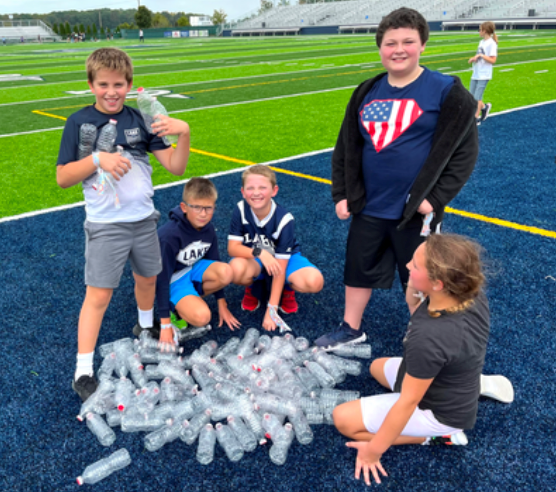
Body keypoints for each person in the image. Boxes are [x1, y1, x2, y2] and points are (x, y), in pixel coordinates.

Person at [314, 7, 478, 350]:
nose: (398, 49)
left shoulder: (446, 91)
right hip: (369, 205)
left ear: (422, 45)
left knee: (421, 279)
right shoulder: (366, 91)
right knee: (357, 269)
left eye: (408, 41)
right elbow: (346, 146)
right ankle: (351, 328)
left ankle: (424, 337)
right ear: (380, 48)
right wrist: (342, 194)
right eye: (390, 43)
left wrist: (434, 199)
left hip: (413, 212)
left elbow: (464, 154)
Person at [56, 47, 191, 401]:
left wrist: (185, 132)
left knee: (147, 278)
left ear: (129, 85)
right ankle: (83, 369)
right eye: (103, 84)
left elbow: (176, 167)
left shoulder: (141, 119)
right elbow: (63, 178)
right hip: (105, 224)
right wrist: (98, 158)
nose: (111, 91)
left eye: (118, 84)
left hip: (144, 220)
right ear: (91, 85)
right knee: (98, 295)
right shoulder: (78, 122)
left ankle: (145, 327)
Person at [332, 234, 514, 485]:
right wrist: (414, 288)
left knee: (343, 420)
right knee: (376, 367)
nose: (406, 265)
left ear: (438, 283)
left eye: (415, 265)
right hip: (452, 376)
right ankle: (474, 384)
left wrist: (374, 450)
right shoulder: (470, 293)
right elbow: (420, 313)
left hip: (440, 412)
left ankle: (443, 436)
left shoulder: (429, 337)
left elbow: (408, 402)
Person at [228, 165, 324, 331]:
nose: (256, 193)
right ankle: (253, 285)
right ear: (243, 192)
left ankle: (287, 288)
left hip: (284, 260)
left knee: (314, 281)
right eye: (250, 188)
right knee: (234, 270)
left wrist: (271, 310)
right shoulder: (241, 209)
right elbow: (232, 248)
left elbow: (280, 266)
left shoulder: (284, 219)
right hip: (256, 258)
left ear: (274, 191)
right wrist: (260, 253)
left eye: (262, 188)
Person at [147, 178, 240, 346]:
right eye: (196, 207)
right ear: (184, 207)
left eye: (208, 208)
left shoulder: (208, 228)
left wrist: (222, 303)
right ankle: (174, 307)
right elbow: (160, 279)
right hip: (171, 278)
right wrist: (165, 323)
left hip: (191, 268)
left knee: (227, 271)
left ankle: (189, 298)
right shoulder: (169, 237)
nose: (203, 214)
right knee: (202, 318)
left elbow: (214, 260)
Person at [468, 21, 498, 125]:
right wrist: (474, 58)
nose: (479, 32)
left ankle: (475, 118)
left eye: (479, 30)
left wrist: (481, 56)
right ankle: (485, 107)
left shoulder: (492, 43)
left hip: (484, 74)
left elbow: (493, 60)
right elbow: (479, 55)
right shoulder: (482, 42)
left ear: (484, 31)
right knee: (471, 97)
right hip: (476, 72)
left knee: (477, 98)